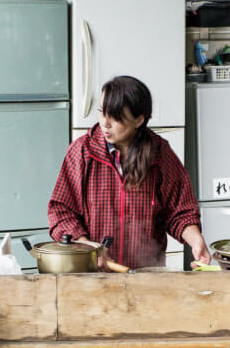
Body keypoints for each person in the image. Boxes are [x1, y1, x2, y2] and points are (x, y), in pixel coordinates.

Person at [48, 75, 211, 270]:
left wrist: (196, 240)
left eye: (115, 117)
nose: (105, 123)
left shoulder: (160, 154)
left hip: (146, 275)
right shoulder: (82, 152)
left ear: (139, 120)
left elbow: (180, 211)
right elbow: (60, 211)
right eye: (101, 112)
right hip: (92, 274)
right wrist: (88, 247)